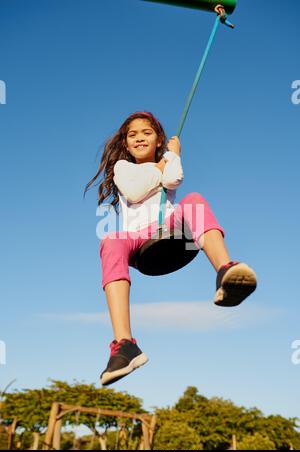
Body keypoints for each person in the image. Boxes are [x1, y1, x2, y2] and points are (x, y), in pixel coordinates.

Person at [84, 111, 257, 387]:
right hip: (138, 243)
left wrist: (172, 157)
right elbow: (135, 190)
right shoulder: (122, 168)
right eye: (133, 135)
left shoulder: (168, 161)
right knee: (110, 240)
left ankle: (226, 271)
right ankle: (125, 345)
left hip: (170, 232)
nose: (139, 137)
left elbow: (175, 178)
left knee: (194, 200)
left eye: (146, 133)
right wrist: (165, 161)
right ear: (126, 144)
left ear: (158, 139)